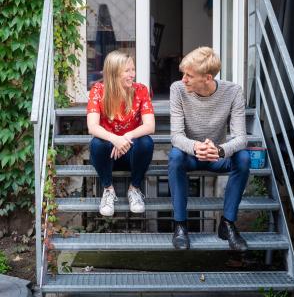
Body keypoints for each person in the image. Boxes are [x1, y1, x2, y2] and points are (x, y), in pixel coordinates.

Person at [168, 46, 250, 251]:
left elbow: (241, 138)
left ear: (207, 78)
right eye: (183, 74)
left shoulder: (233, 92)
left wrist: (220, 150)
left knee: (243, 158)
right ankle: (180, 225)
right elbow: (176, 136)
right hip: (190, 155)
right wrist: (195, 147)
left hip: (217, 156)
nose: (183, 79)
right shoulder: (177, 89)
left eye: (189, 75)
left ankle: (227, 224)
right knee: (175, 156)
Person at [87, 50, 155, 217]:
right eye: (128, 71)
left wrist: (125, 138)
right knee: (97, 143)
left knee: (146, 142)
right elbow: (92, 127)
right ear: (114, 73)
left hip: (133, 153)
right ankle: (108, 189)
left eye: (133, 70)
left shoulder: (141, 90)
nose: (133, 74)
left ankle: (134, 189)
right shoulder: (98, 90)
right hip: (107, 155)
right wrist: (113, 139)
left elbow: (150, 126)